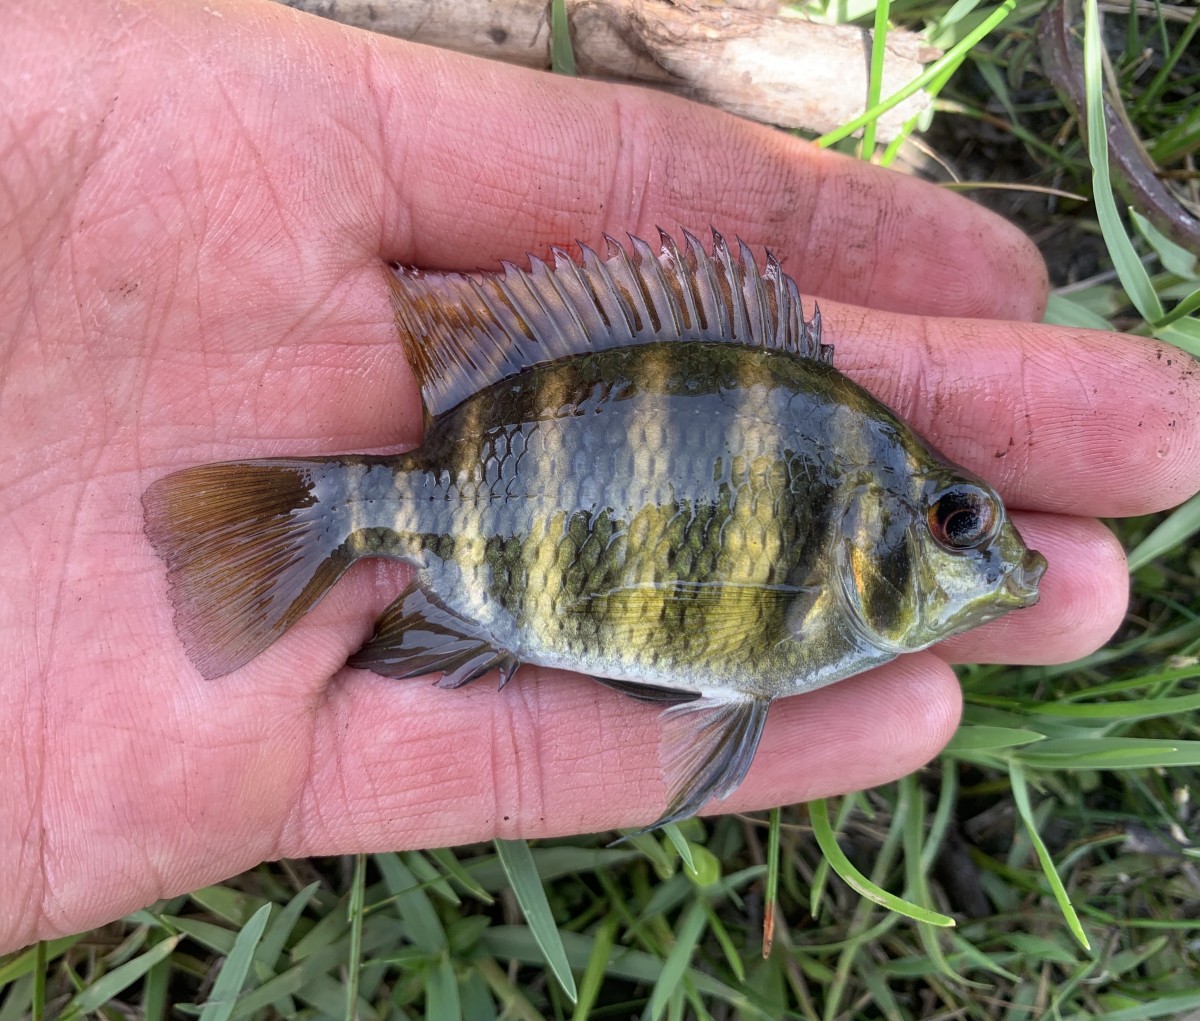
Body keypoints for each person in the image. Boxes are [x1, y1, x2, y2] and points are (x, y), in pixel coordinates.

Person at [2, 0, 1197, 956]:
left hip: (486, 546)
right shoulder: (827, 530)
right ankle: (324, 516)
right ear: (882, 525)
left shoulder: (834, 503)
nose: (993, 561)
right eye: (956, 521)